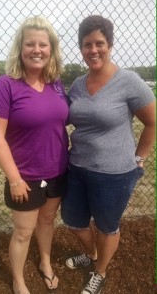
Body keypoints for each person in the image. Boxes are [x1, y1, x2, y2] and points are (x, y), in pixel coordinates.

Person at [61, 15, 156, 294]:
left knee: (106, 227)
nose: (93, 50)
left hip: (114, 174)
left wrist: (140, 158)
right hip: (76, 167)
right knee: (75, 222)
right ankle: (92, 256)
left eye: (99, 43)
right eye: (87, 44)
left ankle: (99, 272)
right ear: (81, 48)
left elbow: (152, 122)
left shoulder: (128, 81)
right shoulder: (78, 84)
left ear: (110, 44)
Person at [0, 16, 69, 294]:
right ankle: (18, 280)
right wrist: (14, 179)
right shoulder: (5, 85)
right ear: (20, 48)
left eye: (43, 44)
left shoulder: (56, 84)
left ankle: (45, 262)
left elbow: (59, 121)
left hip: (57, 170)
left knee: (46, 221)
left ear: (51, 49)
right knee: (22, 232)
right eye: (30, 43)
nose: (37, 49)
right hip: (25, 177)